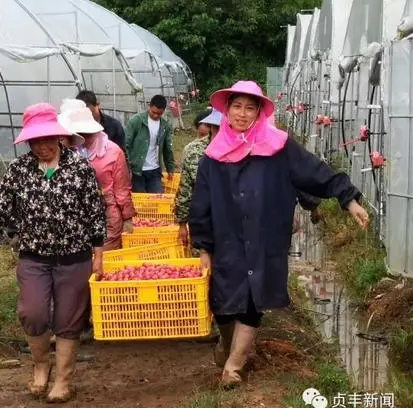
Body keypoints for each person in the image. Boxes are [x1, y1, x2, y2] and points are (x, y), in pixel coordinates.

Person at [189, 80, 369, 389]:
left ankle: (234, 366)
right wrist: (204, 247)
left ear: (259, 113)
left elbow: (316, 172)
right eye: (237, 107)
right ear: (226, 111)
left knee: (252, 300)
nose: (243, 114)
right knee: (221, 300)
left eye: (250, 108)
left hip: (265, 238)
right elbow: (201, 203)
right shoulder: (213, 156)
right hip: (228, 238)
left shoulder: (279, 147)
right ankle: (229, 347)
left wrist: (348, 199)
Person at [0, 102, 107, 403]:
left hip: (74, 257)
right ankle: (40, 364)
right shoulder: (18, 170)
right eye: (36, 141)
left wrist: (98, 254)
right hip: (34, 256)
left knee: (69, 318)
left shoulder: (79, 167)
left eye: (48, 139)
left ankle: (63, 379)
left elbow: (95, 214)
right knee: (32, 313)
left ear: (59, 137)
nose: (42, 146)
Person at [59, 105, 136, 250]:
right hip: (75, 214)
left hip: (107, 213)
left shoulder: (113, 152)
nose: (83, 138)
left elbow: (122, 189)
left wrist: (127, 218)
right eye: (78, 133)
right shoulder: (65, 153)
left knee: (105, 259)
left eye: (86, 133)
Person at [175, 107, 221, 245]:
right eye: (217, 128)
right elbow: (185, 190)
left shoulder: (242, 149)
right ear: (211, 127)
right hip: (202, 224)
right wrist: (182, 224)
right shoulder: (194, 151)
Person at [125, 94, 176, 193]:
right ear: (149, 106)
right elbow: (126, 144)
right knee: (141, 202)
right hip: (137, 170)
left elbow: (167, 149)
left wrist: (170, 168)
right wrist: (127, 165)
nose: (156, 115)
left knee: (157, 198)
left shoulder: (165, 126)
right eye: (153, 112)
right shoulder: (136, 121)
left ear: (163, 111)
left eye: (159, 114)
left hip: (155, 170)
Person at [76, 90, 126, 155]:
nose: (88, 119)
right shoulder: (75, 128)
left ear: (98, 105)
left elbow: (121, 153)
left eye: (91, 114)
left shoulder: (114, 126)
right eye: (84, 116)